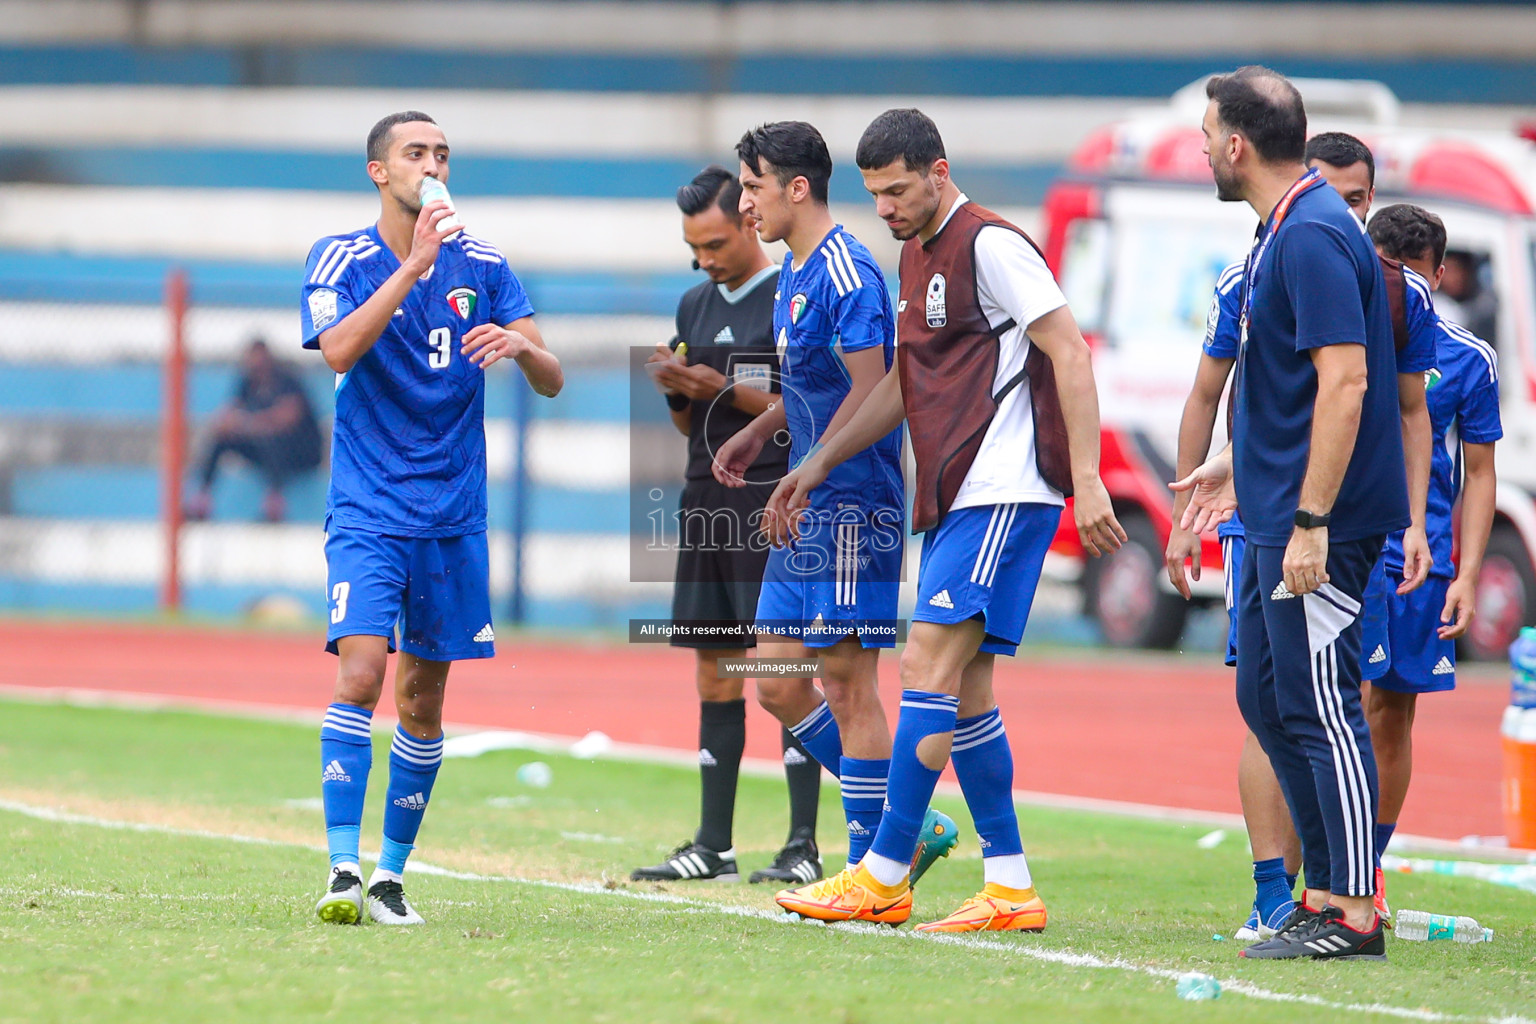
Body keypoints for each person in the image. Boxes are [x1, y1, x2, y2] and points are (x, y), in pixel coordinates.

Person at [766, 108, 1125, 930]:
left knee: (925, 659)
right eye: (876, 195)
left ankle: (883, 871)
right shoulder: (913, 254)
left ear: (938, 170)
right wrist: (816, 464)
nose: (886, 207)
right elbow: (902, 382)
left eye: (897, 190)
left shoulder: (990, 244)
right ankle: (1009, 887)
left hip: (1006, 485)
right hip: (959, 492)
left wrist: (1090, 478)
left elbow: (1069, 349)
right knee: (964, 690)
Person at [1167, 129, 1434, 941]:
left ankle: (1352, 907)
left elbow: (1348, 385)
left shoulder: (1313, 234)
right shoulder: (1277, 236)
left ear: (1239, 143)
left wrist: (1313, 520)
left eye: (1210, 136)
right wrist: (1232, 469)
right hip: (1272, 509)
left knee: (1329, 702)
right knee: (1268, 696)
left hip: (1318, 520)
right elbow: (1274, 395)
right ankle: (1317, 896)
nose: (1203, 150)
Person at [301, 111, 562, 926]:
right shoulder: (340, 256)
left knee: (422, 703)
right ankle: (342, 868)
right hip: (370, 508)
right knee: (361, 675)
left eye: (442, 152)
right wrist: (412, 269)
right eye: (416, 153)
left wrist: (524, 350)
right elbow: (337, 350)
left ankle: (389, 877)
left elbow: (551, 377)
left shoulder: (484, 263)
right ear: (380, 172)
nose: (433, 164)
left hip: (451, 513)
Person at [712, 121, 958, 888]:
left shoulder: (849, 271)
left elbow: (872, 387)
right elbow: (810, 389)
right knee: (776, 677)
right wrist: (758, 432)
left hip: (854, 505)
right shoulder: (794, 271)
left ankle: (868, 867)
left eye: (751, 187)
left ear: (794, 188)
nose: (743, 203)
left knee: (847, 682)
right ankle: (903, 824)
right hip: (807, 496)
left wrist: (815, 469)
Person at [629, 165, 825, 886]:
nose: (705, 260)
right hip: (706, 497)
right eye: (694, 249)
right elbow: (692, 424)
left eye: (714, 243)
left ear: (749, 221)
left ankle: (803, 845)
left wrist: (718, 387)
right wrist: (679, 392)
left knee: (783, 666)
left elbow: (806, 406)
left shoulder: (791, 298)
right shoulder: (693, 305)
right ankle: (714, 844)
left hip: (772, 503)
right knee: (715, 668)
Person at [1364, 202, 1502, 892]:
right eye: (1395, 280)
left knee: (1390, 714)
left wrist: (1469, 574)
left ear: (1441, 276)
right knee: (1337, 708)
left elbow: (1480, 474)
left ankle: (1368, 866)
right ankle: (1311, 873)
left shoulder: (1468, 359)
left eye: (1418, 280)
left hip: (1421, 559)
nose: (1407, 297)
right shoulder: (1339, 341)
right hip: (1341, 547)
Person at [186, 336, 323, 522]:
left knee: (270, 438)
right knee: (223, 440)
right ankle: (202, 499)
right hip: (264, 448)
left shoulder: (287, 379)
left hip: (301, 452)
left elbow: (288, 417)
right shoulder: (247, 382)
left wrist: (250, 423)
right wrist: (226, 424)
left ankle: (274, 504)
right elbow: (231, 411)